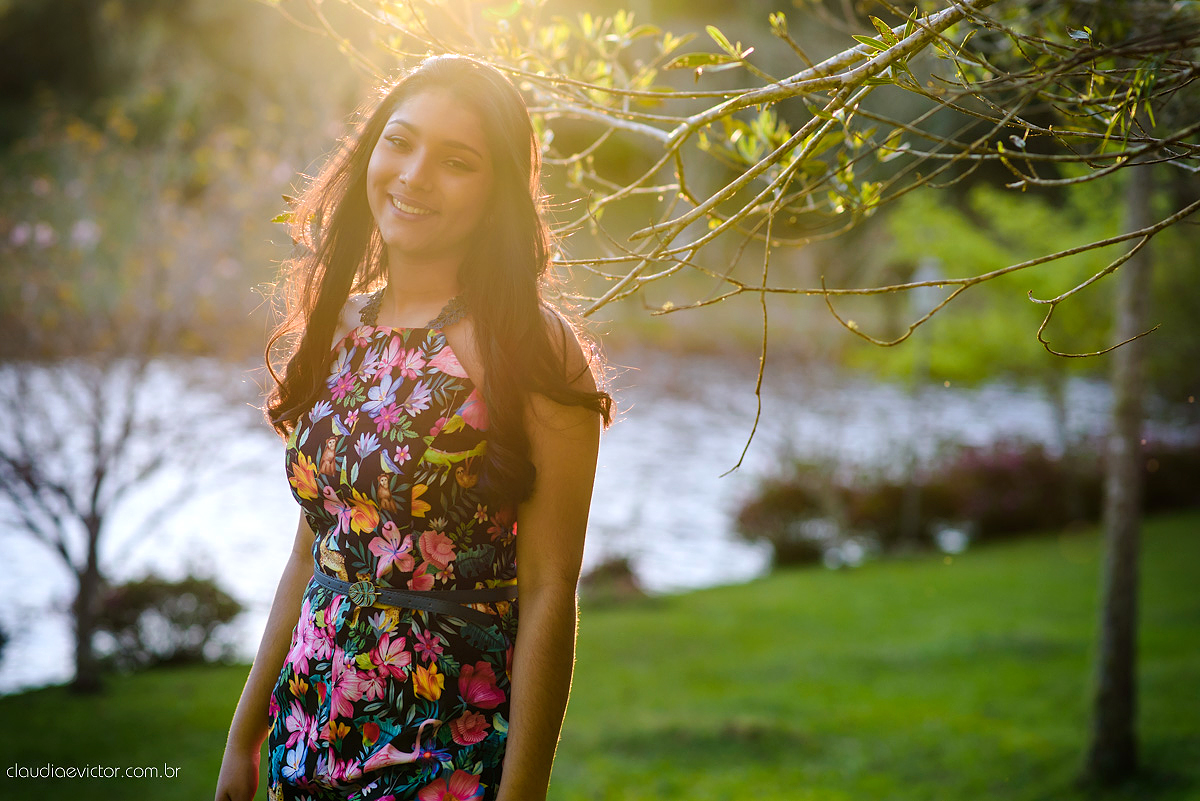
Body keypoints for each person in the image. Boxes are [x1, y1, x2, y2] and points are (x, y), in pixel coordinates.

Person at [215, 54, 613, 801]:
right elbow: (311, 552)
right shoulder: (340, 325)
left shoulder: (528, 346)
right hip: (308, 730)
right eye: (400, 142)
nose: (414, 174)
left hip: (446, 740)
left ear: (497, 193)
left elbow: (552, 587)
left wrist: (522, 792)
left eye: (457, 161)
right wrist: (244, 738)